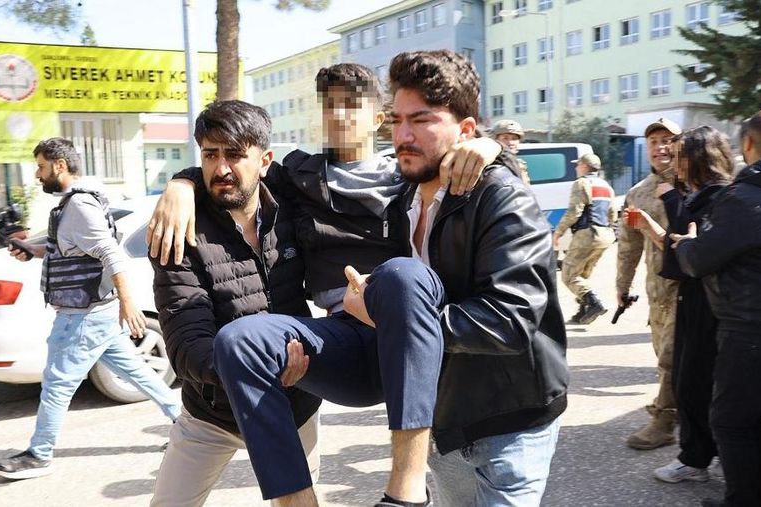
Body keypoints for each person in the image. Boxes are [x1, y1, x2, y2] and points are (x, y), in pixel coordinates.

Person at [147, 63, 502, 507]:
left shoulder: (410, 173)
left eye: (352, 104)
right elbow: (236, 167)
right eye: (330, 105)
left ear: (379, 117)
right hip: (299, 359)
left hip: (406, 326)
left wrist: (488, 145)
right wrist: (181, 183)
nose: (339, 115)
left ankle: (407, 491)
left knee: (401, 275)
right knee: (238, 341)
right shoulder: (300, 179)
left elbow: (469, 164)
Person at [348, 49, 567, 507]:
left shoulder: (501, 198)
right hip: (441, 421)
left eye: (422, 120)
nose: (403, 135)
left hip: (510, 423)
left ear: (466, 131)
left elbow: (509, 320)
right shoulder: (401, 202)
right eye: (397, 120)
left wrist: (390, 320)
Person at [149, 100, 322, 506]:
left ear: (264, 162)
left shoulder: (290, 207)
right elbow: (186, 348)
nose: (221, 168)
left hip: (295, 403)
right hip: (212, 414)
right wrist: (182, 182)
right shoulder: (180, 232)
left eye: (234, 154)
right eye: (210, 155)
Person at [0, 137, 180, 480]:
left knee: (57, 384)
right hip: (96, 313)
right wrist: (30, 250)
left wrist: (128, 303)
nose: (38, 174)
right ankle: (186, 423)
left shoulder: (78, 205)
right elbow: (70, 250)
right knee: (137, 373)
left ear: (60, 165)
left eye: (41, 167)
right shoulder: (76, 203)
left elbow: (110, 253)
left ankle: (39, 454)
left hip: (82, 315)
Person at [671, 107, 761, 507]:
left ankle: (747, 501)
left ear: (748, 144)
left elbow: (697, 261)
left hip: (757, 328)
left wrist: (687, 243)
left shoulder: (743, 199)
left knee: (732, 420)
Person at [630, 126, 735, 484]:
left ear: (699, 159)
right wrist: (652, 227)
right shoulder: (698, 194)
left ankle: (706, 457)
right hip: (692, 299)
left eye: (679, 155)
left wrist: (672, 203)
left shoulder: (721, 197)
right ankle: (699, 456)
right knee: (688, 381)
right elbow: (679, 252)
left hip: (712, 303)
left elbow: (692, 257)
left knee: (700, 384)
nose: (672, 162)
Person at [616, 117, 683, 450]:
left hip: (687, 290)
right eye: (654, 142)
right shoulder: (638, 193)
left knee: (670, 357)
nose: (661, 147)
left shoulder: (693, 185)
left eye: (668, 140)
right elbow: (628, 246)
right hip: (657, 293)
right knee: (664, 356)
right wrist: (622, 286)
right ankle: (683, 410)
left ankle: (663, 423)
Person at [552, 153, 617, 325]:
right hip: (604, 235)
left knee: (568, 275)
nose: (576, 168)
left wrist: (558, 232)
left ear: (584, 166)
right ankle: (582, 311)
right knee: (582, 275)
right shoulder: (606, 186)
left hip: (587, 235)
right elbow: (612, 214)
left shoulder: (581, 183)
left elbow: (574, 212)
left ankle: (594, 303)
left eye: (578, 164)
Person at [491, 119, 532, 186]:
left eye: (514, 138)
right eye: (505, 138)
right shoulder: (491, 164)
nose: (510, 143)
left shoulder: (519, 164)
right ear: (496, 140)